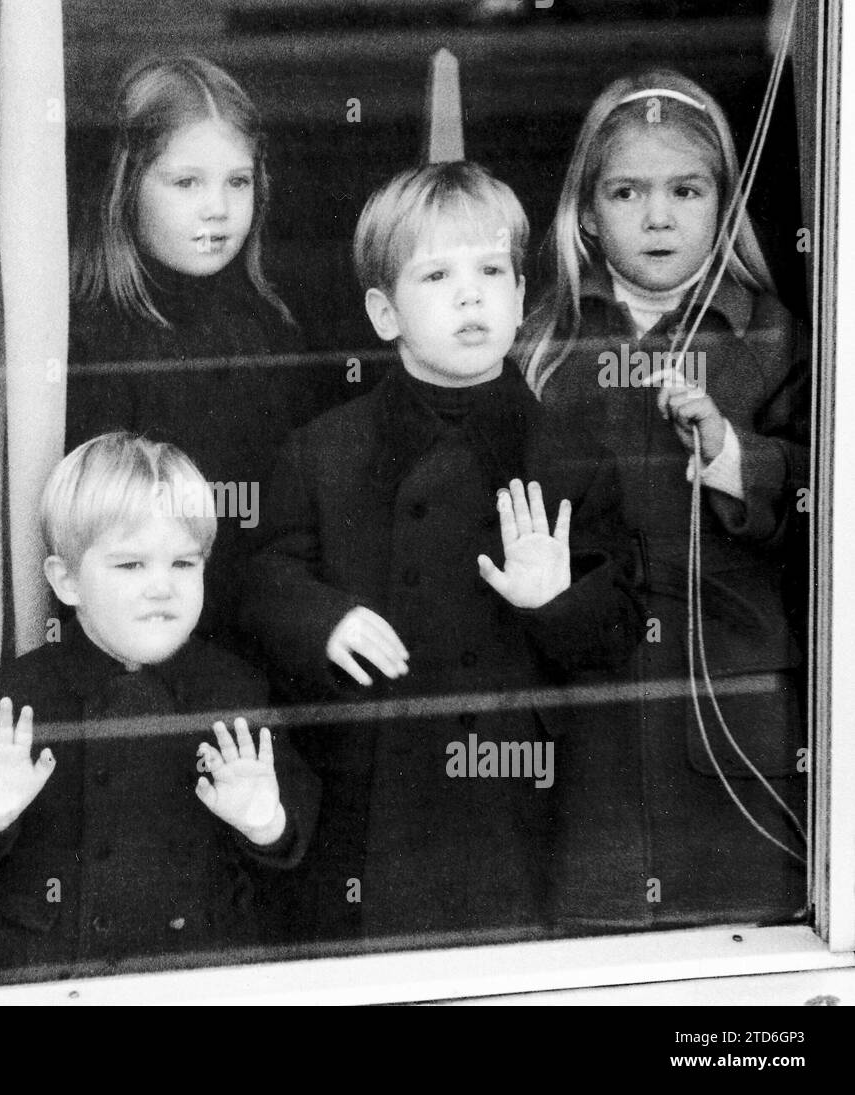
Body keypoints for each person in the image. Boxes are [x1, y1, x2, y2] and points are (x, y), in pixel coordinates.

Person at [240, 162, 642, 944]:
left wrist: (556, 597)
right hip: (367, 793)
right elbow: (260, 579)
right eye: (437, 274)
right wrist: (325, 620)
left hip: (512, 796)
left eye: (493, 270)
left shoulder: (569, 456)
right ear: (385, 312)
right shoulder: (326, 450)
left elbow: (621, 629)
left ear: (522, 298)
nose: (471, 295)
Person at [518, 69, 810, 930]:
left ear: (723, 204)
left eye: (686, 189)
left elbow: (821, 501)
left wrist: (729, 453)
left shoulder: (771, 335)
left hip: (733, 702)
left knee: (742, 951)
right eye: (627, 191)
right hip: (592, 707)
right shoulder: (543, 341)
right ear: (584, 213)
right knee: (595, 937)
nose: (657, 217)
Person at [0, 432, 318, 980]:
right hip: (50, 974)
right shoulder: (15, 697)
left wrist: (265, 819)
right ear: (66, 581)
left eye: (184, 563)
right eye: (131, 566)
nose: (162, 587)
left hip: (199, 973)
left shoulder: (235, 689)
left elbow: (297, 817)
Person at [68, 54, 329, 646]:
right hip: (141, 636)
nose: (219, 207)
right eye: (187, 182)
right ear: (127, 185)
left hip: (260, 625)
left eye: (237, 181)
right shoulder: (92, 336)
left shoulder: (272, 328)